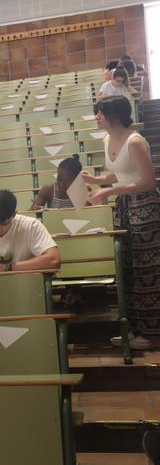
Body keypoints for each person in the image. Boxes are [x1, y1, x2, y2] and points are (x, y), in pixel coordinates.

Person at [82, 96, 160, 350]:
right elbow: (118, 172)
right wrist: (97, 181)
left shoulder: (135, 141)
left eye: (100, 113)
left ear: (114, 116)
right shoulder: (107, 140)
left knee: (147, 271)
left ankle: (151, 332)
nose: (97, 117)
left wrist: (109, 191)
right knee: (128, 269)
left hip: (145, 208)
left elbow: (148, 181)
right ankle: (135, 329)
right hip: (125, 207)